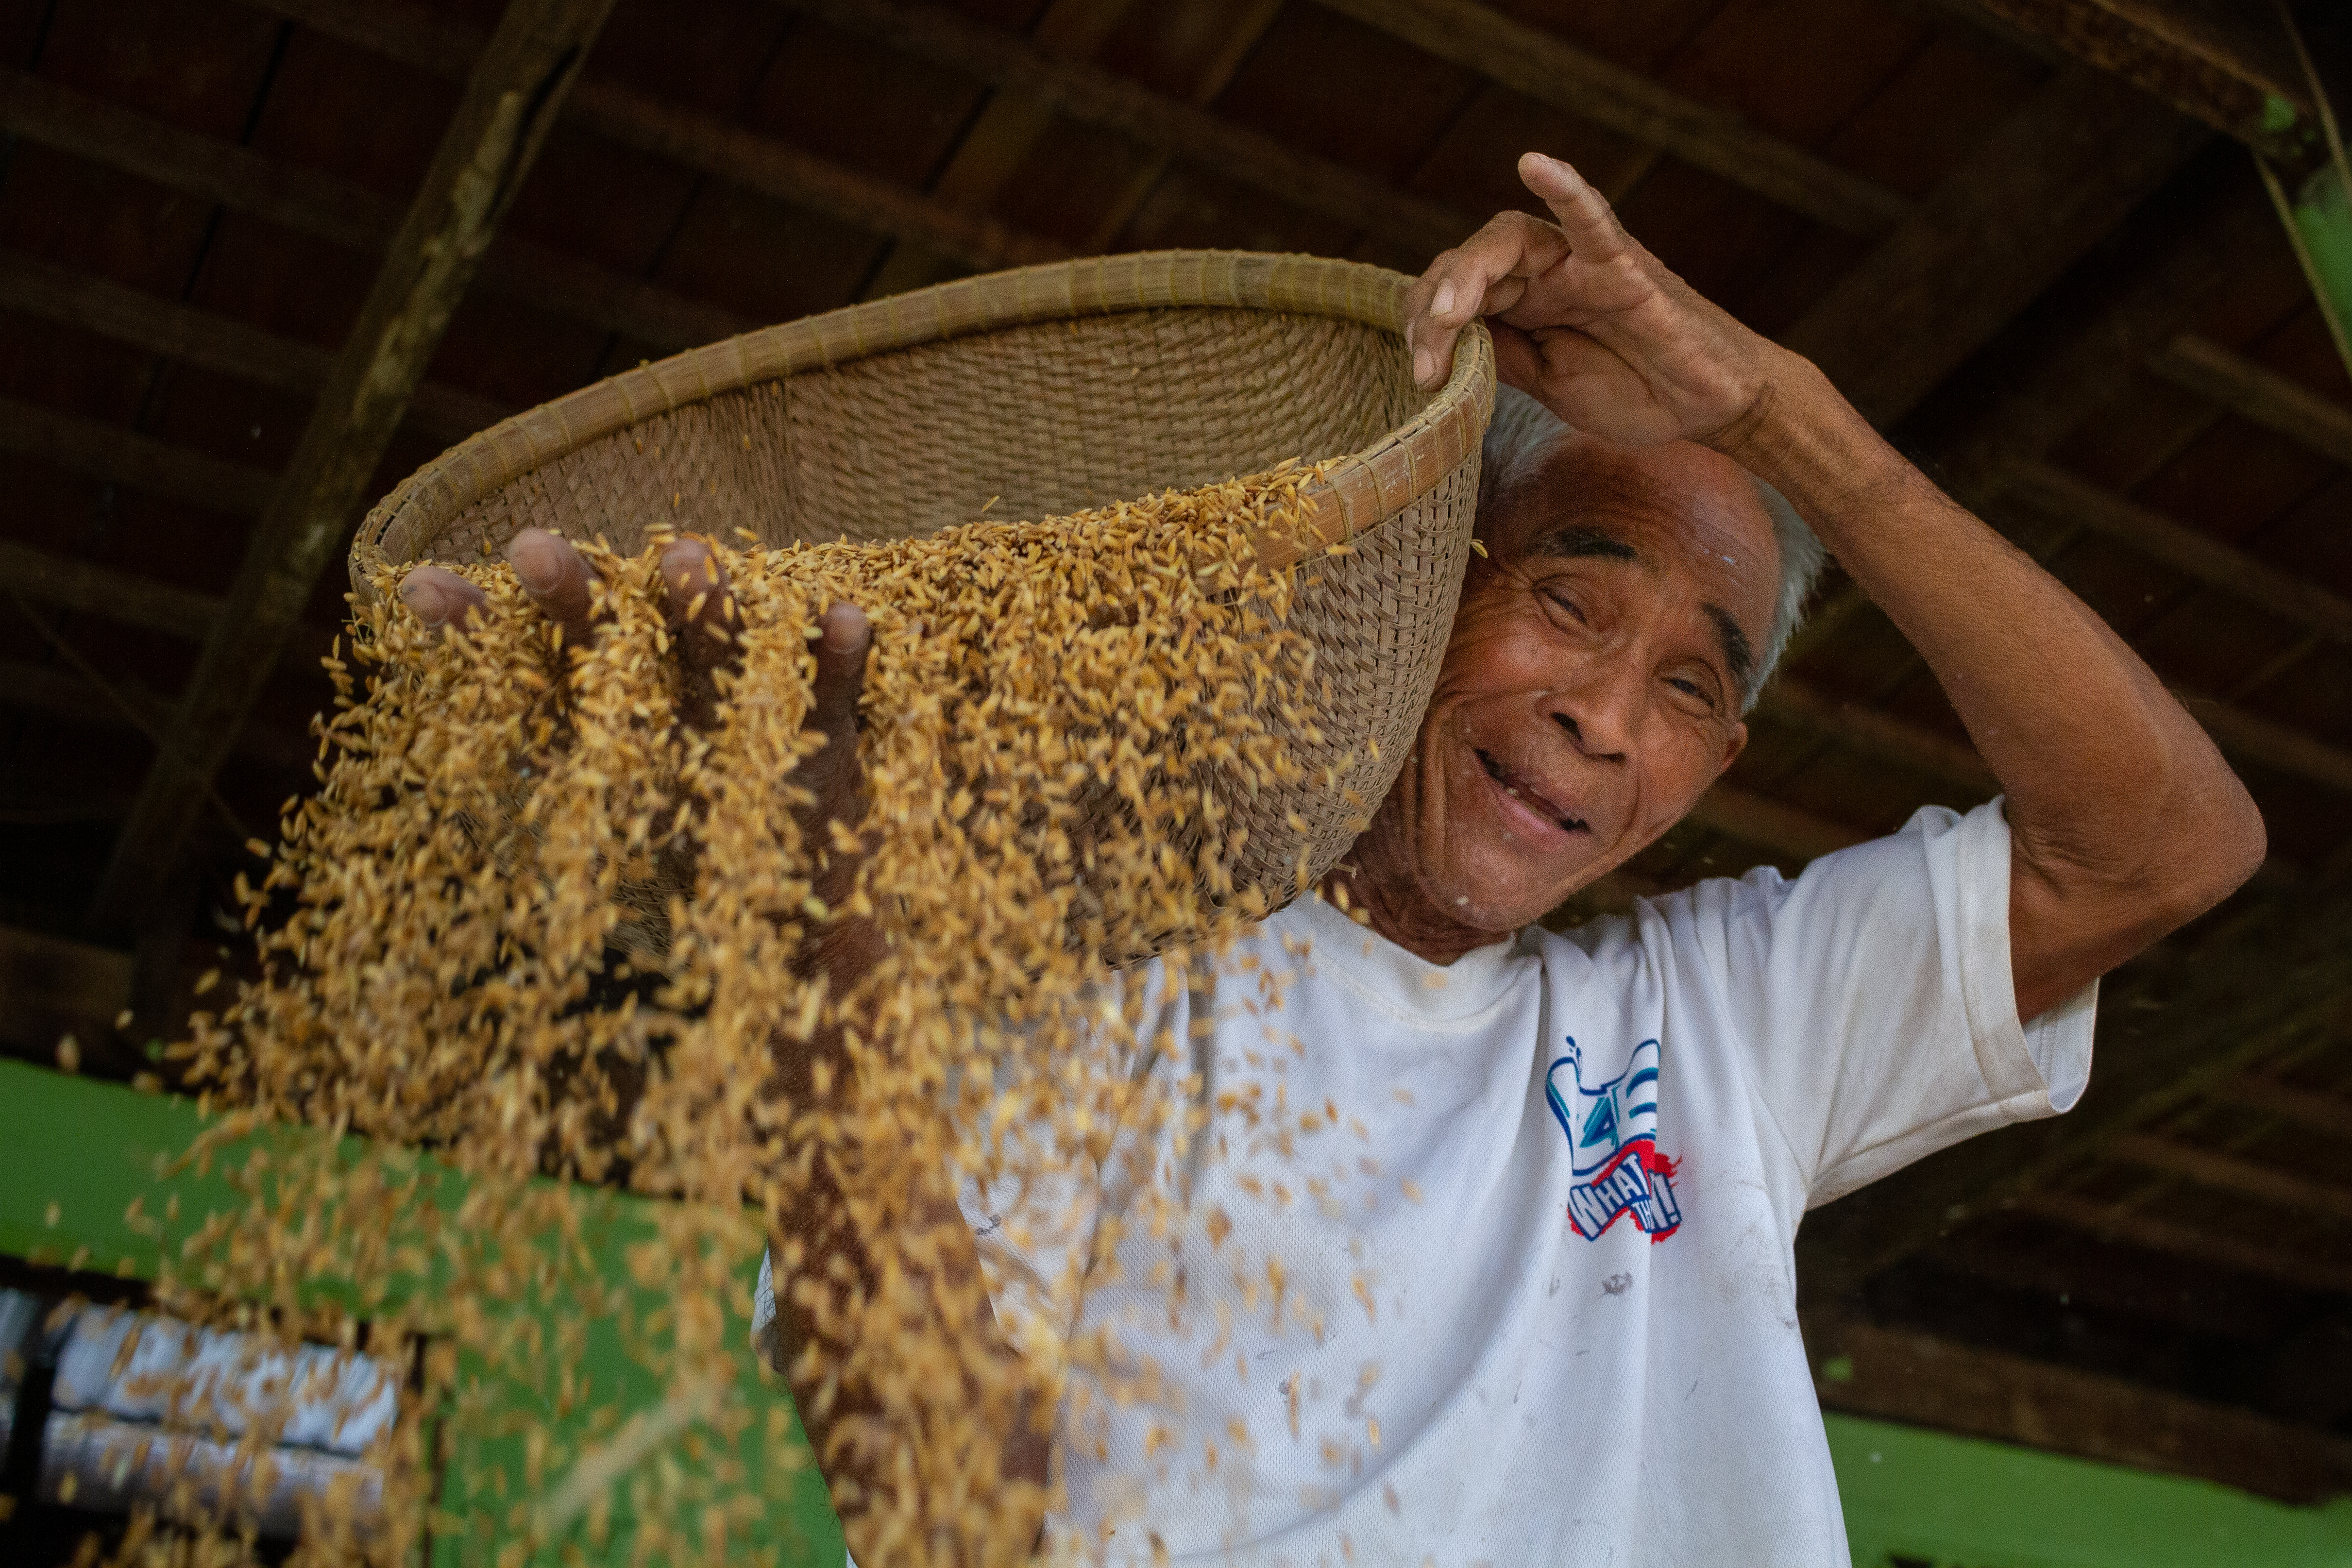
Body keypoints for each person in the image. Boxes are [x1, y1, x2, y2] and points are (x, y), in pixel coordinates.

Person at [400, 152, 2264, 1566]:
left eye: (1689, 689)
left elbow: (2165, 845)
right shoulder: (1100, 974)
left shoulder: (1719, 1027)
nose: (1608, 717)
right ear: (1427, 583)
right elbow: (938, 1512)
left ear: (1719, 760)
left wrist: (1773, 414)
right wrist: (823, 875)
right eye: (1568, 597)